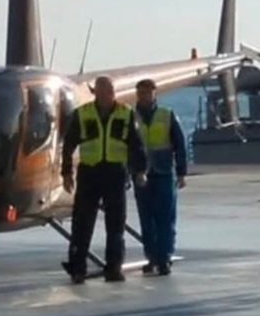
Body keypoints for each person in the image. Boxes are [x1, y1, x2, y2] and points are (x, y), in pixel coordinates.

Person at [61, 76, 148, 284]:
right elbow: (69, 145)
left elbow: (136, 145)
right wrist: (66, 173)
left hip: (115, 173)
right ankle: (77, 267)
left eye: (110, 91)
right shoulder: (82, 114)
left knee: (115, 224)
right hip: (89, 173)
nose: (108, 96)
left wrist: (140, 170)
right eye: (103, 92)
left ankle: (114, 267)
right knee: (82, 224)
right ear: (96, 93)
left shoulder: (125, 114)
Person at [134, 78, 188, 276]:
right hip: (141, 175)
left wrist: (181, 172)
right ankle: (151, 257)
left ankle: (164, 258)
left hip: (164, 172)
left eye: (148, 92)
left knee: (165, 218)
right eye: (141, 93)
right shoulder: (131, 118)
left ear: (155, 93)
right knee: (146, 219)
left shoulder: (167, 115)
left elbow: (179, 144)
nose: (145, 96)